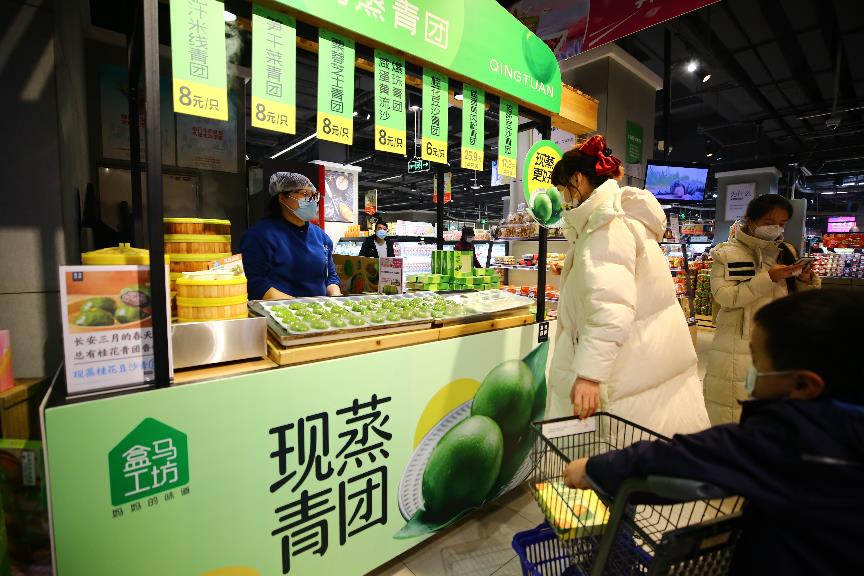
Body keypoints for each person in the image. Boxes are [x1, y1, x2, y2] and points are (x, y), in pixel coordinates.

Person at [564, 289, 864, 576]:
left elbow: (682, 457)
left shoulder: (791, 439)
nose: (751, 372)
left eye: (757, 362)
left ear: (804, 385)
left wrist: (593, 469)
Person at [548, 135, 709, 437]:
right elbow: (615, 287)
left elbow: (611, 309)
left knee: (619, 450)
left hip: (625, 376)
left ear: (578, 180)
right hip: (646, 362)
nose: (562, 198)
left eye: (561, 188)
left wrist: (589, 374)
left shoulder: (605, 226)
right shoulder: (624, 219)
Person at [703, 195, 820, 424]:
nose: (776, 228)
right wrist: (768, 278)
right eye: (769, 222)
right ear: (750, 220)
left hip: (779, 342)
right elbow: (725, 297)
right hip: (737, 344)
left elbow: (797, 301)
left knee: (774, 415)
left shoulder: (786, 251)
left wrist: (805, 280)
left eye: (782, 223)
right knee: (732, 411)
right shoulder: (727, 253)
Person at [240, 172, 341, 300]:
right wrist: (297, 306)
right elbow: (255, 282)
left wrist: (336, 298)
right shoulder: (259, 235)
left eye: (313, 195)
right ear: (282, 198)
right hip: (279, 309)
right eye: (305, 194)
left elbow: (330, 277)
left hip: (320, 310)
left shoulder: (321, 237)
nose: (312, 201)